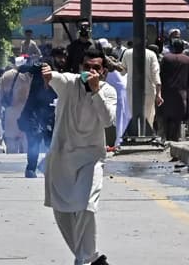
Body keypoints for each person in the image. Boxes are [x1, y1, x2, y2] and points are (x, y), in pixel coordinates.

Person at [41, 46, 117, 265]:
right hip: (62, 156)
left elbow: (107, 120)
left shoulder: (107, 91)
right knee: (61, 210)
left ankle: (85, 257)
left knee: (86, 205)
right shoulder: (70, 83)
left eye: (96, 68)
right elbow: (55, 78)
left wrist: (95, 92)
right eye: (87, 67)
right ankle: (88, 257)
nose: (91, 71)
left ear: (103, 71)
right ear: (80, 67)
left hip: (91, 157)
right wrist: (48, 73)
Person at [20, 47, 61, 177]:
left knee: (52, 142)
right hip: (33, 112)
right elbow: (23, 68)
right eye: (60, 57)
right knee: (34, 141)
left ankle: (45, 165)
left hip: (49, 112)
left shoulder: (59, 73)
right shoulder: (41, 68)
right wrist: (38, 65)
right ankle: (30, 169)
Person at [159, 38, 189, 143]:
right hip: (182, 93)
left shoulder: (166, 59)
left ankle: (166, 139)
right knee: (178, 120)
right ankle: (176, 140)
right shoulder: (186, 60)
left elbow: (160, 74)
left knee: (165, 118)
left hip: (166, 92)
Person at [1, 60, 32, 154]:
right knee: (26, 143)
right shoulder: (28, 75)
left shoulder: (6, 75)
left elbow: (2, 94)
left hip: (10, 111)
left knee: (11, 144)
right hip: (25, 112)